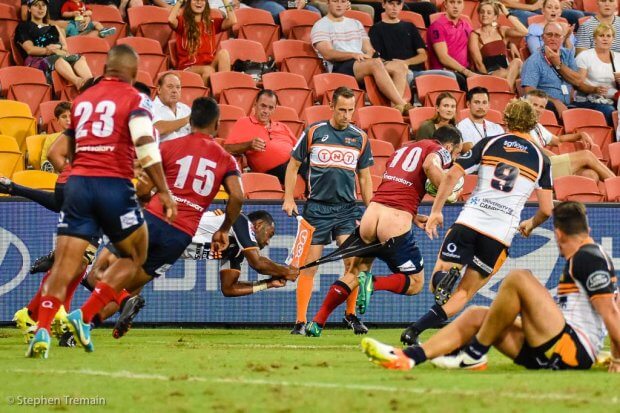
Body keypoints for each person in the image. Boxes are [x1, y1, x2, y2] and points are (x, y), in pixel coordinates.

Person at [24, 45, 178, 359]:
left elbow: (67, 148)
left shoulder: (81, 102)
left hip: (78, 185)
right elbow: (146, 145)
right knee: (136, 254)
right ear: (133, 72)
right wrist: (162, 189)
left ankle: (41, 330)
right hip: (113, 185)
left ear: (106, 68)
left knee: (65, 265)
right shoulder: (136, 99)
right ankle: (86, 313)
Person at [363, 202, 620, 374]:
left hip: (571, 351)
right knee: (476, 314)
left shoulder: (588, 257)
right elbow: (614, 308)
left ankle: (474, 353)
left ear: (559, 234)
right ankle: (408, 358)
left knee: (519, 278)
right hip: (553, 348)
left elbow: (611, 313)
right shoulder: (588, 256)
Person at [399, 99, 555, 346]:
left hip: (469, 221)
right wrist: (531, 224)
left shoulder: (489, 143)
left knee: (437, 279)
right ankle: (414, 331)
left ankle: (445, 278)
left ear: (506, 119)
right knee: (464, 292)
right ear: (533, 123)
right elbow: (547, 209)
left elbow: (452, 175)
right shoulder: (542, 159)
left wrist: (437, 210)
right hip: (499, 233)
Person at [304, 126, 463, 337]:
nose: (455, 158)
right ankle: (373, 283)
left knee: (354, 272)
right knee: (415, 283)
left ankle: (316, 323)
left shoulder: (401, 151)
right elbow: (429, 165)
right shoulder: (439, 150)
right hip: (394, 222)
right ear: (449, 146)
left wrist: (414, 216)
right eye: (457, 153)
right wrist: (446, 190)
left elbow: (395, 188)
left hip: (371, 215)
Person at [282, 87, 374, 335]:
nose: (346, 115)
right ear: (331, 107)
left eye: (350, 110)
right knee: (310, 266)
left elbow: (365, 178)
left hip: (346, 209)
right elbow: (293, 166)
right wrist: (288, 197)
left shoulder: (360, 138)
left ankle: (350, 315)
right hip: (317, 208)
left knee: (353, 264)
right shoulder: (314, 132)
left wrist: (371, 207)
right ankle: (300, 321)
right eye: (342, 110)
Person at [311, 0, 412, 114]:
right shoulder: (321, 25)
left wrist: (368, 55)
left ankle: (395, 109)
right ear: (328, 3)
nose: (339, 5)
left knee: (400, 66)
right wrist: (352, 54)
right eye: (335, 1)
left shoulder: (356, 23)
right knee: (375, 63)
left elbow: (368, 49)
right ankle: (403, 104)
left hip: (361, 62)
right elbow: (328, 54)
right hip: (339, 66)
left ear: (347, 3)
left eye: (343, 1)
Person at [182, 210, 299, 296]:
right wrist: (286, 271)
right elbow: (257, 263)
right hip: (169, 230)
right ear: (258, 225)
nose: (268, 242)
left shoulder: (236, 251)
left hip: (169, 250)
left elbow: (229, 289)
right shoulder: (239, 219)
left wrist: (269, 283)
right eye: (270, 234)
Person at [525, 89, 614, 183]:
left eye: (541, 107)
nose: (538, 109)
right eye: (534, 105)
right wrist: (560, 159)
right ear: (525, 104)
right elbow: (537, 149)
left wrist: (579, 135)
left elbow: (558, 140)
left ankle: (562, 195)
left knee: (590, 175)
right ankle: (616, 187)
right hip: (537, 167)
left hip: (548, 164)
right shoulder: (520, 123)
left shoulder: (537, 126)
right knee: (586, 155)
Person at [369, 0, 456, 86]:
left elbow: (423, 55)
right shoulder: (376, 29)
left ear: (402, 5)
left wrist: (406, 62)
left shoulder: (410, 27)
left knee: (450, 76)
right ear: (384, 4)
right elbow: (377, 59)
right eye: (391, 3)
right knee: (408, 74)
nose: (394, 7)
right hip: (394, 73)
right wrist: (398, 66)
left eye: (398, 4)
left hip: (417, 73)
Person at [224, 90, 298, 184]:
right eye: (263, 106)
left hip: (294, 164)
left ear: (275, 109)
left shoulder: (282, 126)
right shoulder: (244, 122)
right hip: (271, 173)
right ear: (255, 105)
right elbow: (226, 149)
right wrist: (249, 145)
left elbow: (299, 148)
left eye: (270, 108)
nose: (266, 111)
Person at [15, 0, 93, 89]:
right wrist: (50, 50)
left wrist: (60, 49)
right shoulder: (24, 26)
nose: (41, 8)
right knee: (57, 59)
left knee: (79, 58)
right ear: (29, 8)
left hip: (57, 54)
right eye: (36, 5)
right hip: (36, 59)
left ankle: (90, 82)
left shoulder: (54, 27)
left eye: (43, 5)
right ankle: (78, 82)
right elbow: (30, 49)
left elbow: (65, 47)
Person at [521, 22, 584, 117]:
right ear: (543, 37)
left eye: (557, 35)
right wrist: (555, 102)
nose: (553, 38)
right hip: (547, 107)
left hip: (570, 104)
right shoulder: (534, 60)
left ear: (562, 38)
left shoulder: (567, 54)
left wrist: (558, 63)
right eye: (549, 35)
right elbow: (530, 92)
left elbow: (577, 81)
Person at [169, 0, 236, 86]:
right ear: (189, 3)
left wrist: (225, 1)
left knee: (224, 54)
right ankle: (204, 98)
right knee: (208, 70)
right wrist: (180, 2)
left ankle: (222, 93)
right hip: (187, 68)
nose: (198, 2)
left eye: (202, 0)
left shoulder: (211, 23)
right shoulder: (182, 22)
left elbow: (232, 21)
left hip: (209, 66)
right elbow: (171, 20)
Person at [469, 1, 527, 91]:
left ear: (495, 17)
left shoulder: (501, 30)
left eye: (489, 12)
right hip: (490, 73)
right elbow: (478, 63)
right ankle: (509, 92)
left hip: (507, 71)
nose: (484, 15)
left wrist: (507, 13)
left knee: (517, 61)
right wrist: (486, 81)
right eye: (482, 12)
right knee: (504, 72)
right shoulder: (475, 35)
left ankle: (507, 90)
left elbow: (524, 32)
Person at [573, 23, 620, 126]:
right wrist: (594, 89)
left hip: (614, 98)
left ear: (613, 39)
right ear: (595, 39)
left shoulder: (618, 58)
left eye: (608, 36)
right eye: (601, 36)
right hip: (589, 99)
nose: (605, 39)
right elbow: (578, 84)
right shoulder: (585, 56)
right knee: (609, 110)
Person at [426, 0, 474, 90]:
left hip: (464, 72)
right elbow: (443, 57)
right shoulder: (437, 26)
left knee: (487, 80)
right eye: (452, 2)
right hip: (445, 72)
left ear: (463, 5)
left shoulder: (466, 25)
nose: (455, 6)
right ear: (445, 5)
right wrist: (466, 72)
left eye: (459, 2)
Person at [456, 87, 505, 152]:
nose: (481, 107)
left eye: (484, 102)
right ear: (468, 104)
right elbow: (471, 152)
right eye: (477, 102)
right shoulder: (462, 126)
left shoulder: (497, 128)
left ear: (489, 105)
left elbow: (504, 151)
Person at [152, 72, 192, 142]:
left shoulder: (186, 109)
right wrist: (187, 119)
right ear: (159, 89)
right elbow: (157, 129)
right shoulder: (150, 108)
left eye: (178, 87)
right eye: (170, 87)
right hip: (163, 151)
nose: (174, 91)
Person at [501, 0, 584, 28]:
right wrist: (532, 7)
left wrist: (556, 4)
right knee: (536, 19)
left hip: (540, 7)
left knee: (583, 16)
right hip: (508, 11)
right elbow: (504, 2)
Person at [41, 101, 71, 172]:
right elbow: (44, 162)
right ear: (57, 120)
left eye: (71, 116)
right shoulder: (51, 138)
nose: (68, 119)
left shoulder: (82, 136)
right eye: (64, 117)